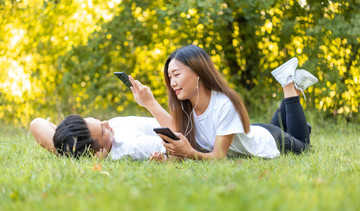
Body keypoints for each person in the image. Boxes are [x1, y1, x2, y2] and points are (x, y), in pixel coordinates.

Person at [129, 44, 318, 160]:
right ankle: (296, 93)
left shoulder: (224, 103)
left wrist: (187, 152)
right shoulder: (186, 108)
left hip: (268, 139)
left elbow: (218, 157)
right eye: (169, 77)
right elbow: (177, 132)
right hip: (249, 132)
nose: (173, 83)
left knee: (303, 145)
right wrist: (149, 103)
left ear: (198, 72)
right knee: (297, 130)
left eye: (176, 75)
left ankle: (288, 83)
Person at [30, 115, 166, 160]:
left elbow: (37, 124)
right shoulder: (131, 146)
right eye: (102, 130)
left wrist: (70, 153)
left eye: (98, 120)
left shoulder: (95, 135)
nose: (106, 123)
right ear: (97, 151)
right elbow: (179, 143)